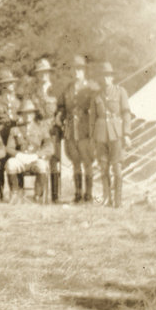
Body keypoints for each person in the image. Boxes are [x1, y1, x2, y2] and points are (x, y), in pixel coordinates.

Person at [90, 61, 132, 208]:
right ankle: (107, 199)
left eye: (108, 76)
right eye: (103, 76)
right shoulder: (96, 95)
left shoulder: (121, 92)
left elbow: (126, 114)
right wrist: (92, 138)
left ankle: (118, 201)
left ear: (112, 78)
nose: (105, 79)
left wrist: (127, 134)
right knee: (103, 168)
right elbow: (92, 119)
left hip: (116, 134)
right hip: (100, 135)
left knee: (117, 168)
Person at [58, 55, 98, 203]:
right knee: (75, 161)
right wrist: (60, 116)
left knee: (87, 161)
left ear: (84, 71)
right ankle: (78, 193)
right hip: (70, 130)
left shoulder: (91, 87)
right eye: (74, 69)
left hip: (85, 129)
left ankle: (88, 195)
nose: (76, 72)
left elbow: (97, 107)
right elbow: (62, 106)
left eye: (79, 69)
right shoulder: (68, 89)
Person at [5, 99, 54, 204]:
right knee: (10, 163)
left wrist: (37, 155)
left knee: (42, 165)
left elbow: (49, 147)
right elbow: (9, 148)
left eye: (30, 113)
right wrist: (18, 155)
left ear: (34, 114)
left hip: (34, 159)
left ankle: (38, 196)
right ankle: (15, 193)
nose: (28, 116)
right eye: (25, 113)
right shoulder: (15, 129)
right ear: (21, 115)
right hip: (21, 159)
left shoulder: (42, 128)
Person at [31, 58, 63, 202]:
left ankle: (55, 196)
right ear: (37, 75)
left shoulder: (56, 90)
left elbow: (62, 109)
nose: (43, 75)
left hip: (53, 129)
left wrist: (58, 123)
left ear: (49, 73)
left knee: (54, 161)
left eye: (45, 72)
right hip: (39, 130)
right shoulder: (34, 93)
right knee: (40, 159)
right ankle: (40, 195)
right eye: (40, 73)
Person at [0, 69, 22, 198]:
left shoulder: (19, 102)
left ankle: (18, 191)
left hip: (15, 135)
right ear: (3, 86)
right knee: (0, 163)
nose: (12, 85)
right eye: (9, 83)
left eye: (12, 83)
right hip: (1, 135)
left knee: (16, 160)